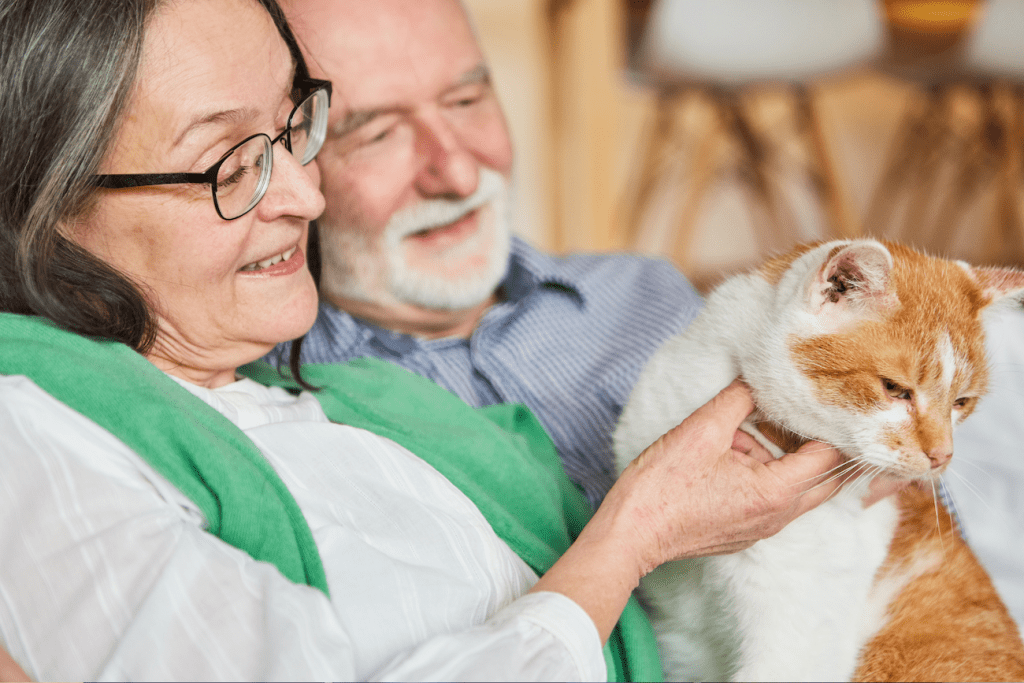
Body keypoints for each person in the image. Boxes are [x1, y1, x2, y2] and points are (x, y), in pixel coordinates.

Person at [0, 0, 860, 679]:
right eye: (231, 163)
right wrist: (635, 533)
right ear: (48, 205)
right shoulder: (51, 432)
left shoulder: (324, 400)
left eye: (297, 124)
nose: (304, 193)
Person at [270, 0, 704, 507]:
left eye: (466, 101)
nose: (459, 174)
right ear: (281, 163)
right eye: (378, 133)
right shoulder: (275, 404)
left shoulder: (650, 298)